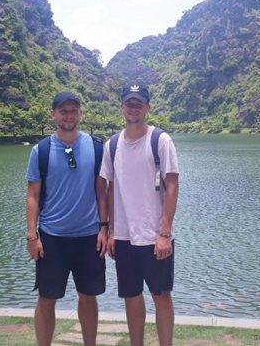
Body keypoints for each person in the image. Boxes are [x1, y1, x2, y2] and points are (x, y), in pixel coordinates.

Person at [24, 91, 109, 346]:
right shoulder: (42, 150)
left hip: (89, 237)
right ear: (53, 114)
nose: (68, 115)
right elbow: (33, 196)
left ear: (80, 114)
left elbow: (102, 192)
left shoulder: (96, 148)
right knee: (47, 298)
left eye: (73, 110)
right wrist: (32, 236)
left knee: (88, 296)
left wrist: (105, 228)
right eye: (63, 110)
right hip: (52, 238)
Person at [100, 82, 180, 346]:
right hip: (124, 237)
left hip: (154, 235)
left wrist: (164, 233)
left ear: (148, 107)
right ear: (122, 106)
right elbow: (110, 189)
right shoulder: (112, 145)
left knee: (161, 295)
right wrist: (111, 230)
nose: (133, 107)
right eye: (129, 102)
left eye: (139, 103)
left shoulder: (160, 141)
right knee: (131, 296)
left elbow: (172, 186)